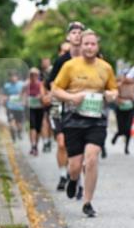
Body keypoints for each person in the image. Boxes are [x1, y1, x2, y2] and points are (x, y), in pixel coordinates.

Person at [50, 30, 118, 218]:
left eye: (93, 44)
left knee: (92, 158)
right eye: (86, 44)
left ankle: (87, 202)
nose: (89, 47)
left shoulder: (105, 67)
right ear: (81, 46)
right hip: (73, 120)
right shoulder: (70, 66)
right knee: (75, 165)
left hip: (97, 120)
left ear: (97, 46)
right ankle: (73, 179)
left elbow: (113, 89)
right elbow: (55, 89)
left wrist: (111, 95)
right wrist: (72, 97)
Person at [46, 24, 84, 193]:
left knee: (78, 144)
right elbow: (50, 83)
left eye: (80, 33)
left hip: (80, 106)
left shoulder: (90, 58)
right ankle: (63, 175)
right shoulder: (61, 61)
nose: (77, 35)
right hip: (58, 105)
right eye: (73, 32)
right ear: (68, 37)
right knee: (61, 143)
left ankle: (76, 178)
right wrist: (59, 93)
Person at [110, 68, 134, 154]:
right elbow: (114, 95)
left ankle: (126, 148)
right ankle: (117, 135)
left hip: (130, 108)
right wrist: (118, 100)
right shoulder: (119, 85)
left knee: (128, 129)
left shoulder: (133, 85)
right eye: (125, 76)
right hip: (120, 109)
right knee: (121, 128)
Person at [26, 68, 46, 156]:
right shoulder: (27, 84)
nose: (33, 77)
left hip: (39, 108)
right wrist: (25, 100)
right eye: (31, 75)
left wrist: (40, 96)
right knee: (32, 126)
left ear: (38, 76)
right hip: (30, 108)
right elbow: (22, 94)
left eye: (35, 75)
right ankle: (33, 145)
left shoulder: (40, 84)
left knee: (38, 128)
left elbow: (43, 95)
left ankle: (35, 146)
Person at [1, 72, 26, 142]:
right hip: (10, 107)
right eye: (11, 76)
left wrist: (24, 101)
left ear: (17, 77)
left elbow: (25, 94)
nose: (13, 78)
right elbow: (4, 95)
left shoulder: (21, 84)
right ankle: (13, 135)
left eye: (14, 76)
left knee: (19, 123)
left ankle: (19, 131)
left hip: (19, 107)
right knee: (11, 122)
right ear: (9, 78)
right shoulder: (7, 86)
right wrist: (3, 101)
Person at [39, 57, 53, 152]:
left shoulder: (54, 70)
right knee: (44, 120)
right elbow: (41, 85)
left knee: (52, 121)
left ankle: (50, 139)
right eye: (43, 61)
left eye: (46, 60)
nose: (45, 62)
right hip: (44, 100)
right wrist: (43, 96)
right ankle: (46, 141)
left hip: (55, 99)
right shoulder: (40, 74)